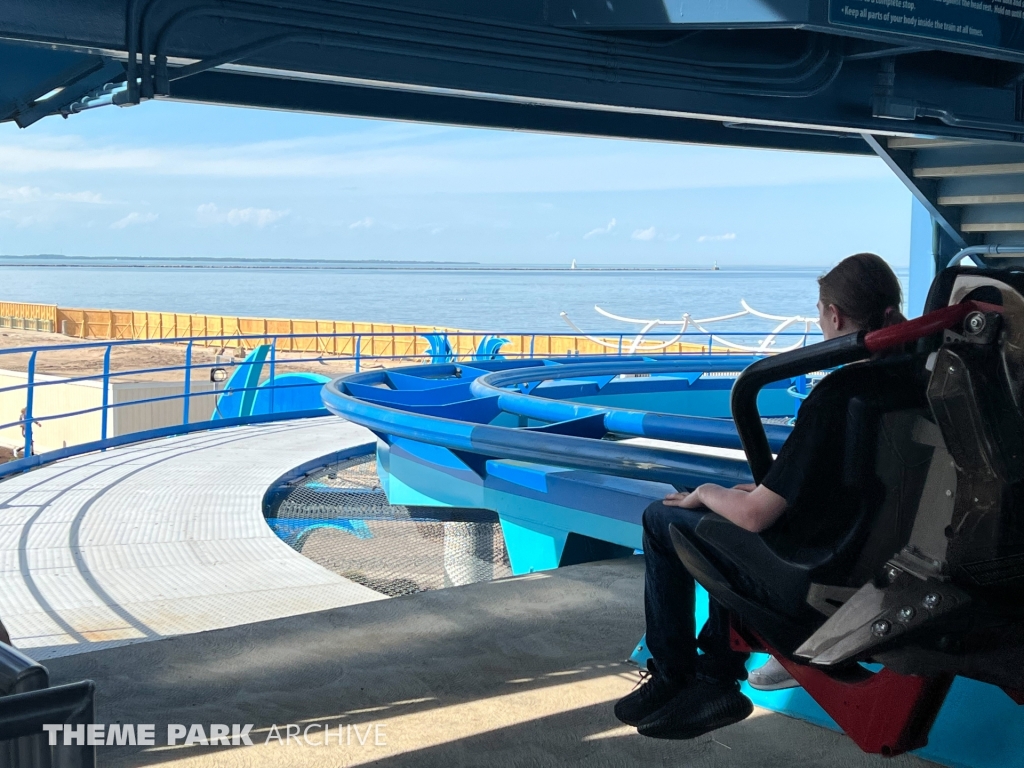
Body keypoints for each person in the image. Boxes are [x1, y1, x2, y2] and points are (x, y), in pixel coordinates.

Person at [614, 253, 906, 739]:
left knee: (663, 521)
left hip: (813, 578)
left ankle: (689, 678)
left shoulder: (836, 395)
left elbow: (753, 516)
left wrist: (708, 491)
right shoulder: (908, 383)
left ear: (834, 316)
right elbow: (846, 484)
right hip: (873, 560)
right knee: (723, 517)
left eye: (819, 313)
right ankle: (702, 675)